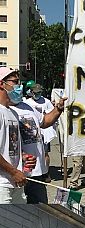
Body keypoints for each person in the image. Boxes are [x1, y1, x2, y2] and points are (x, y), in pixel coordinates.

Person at [9, 79, 66, 204]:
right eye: (14, 82)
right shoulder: (5, 110)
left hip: (37, 174)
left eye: (19, 82)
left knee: (41, 209)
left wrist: (58, 109)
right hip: (16, 175)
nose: (18, 86)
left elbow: (44, 121)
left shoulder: (26, 106)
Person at [0, 68, 37, 204]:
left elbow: (9, 145)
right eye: (15, 82)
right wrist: (13, 172)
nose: (19, 86)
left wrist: (23, 157)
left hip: (16, 183)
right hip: (2, 185)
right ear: (2, 84)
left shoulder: (12, 113)